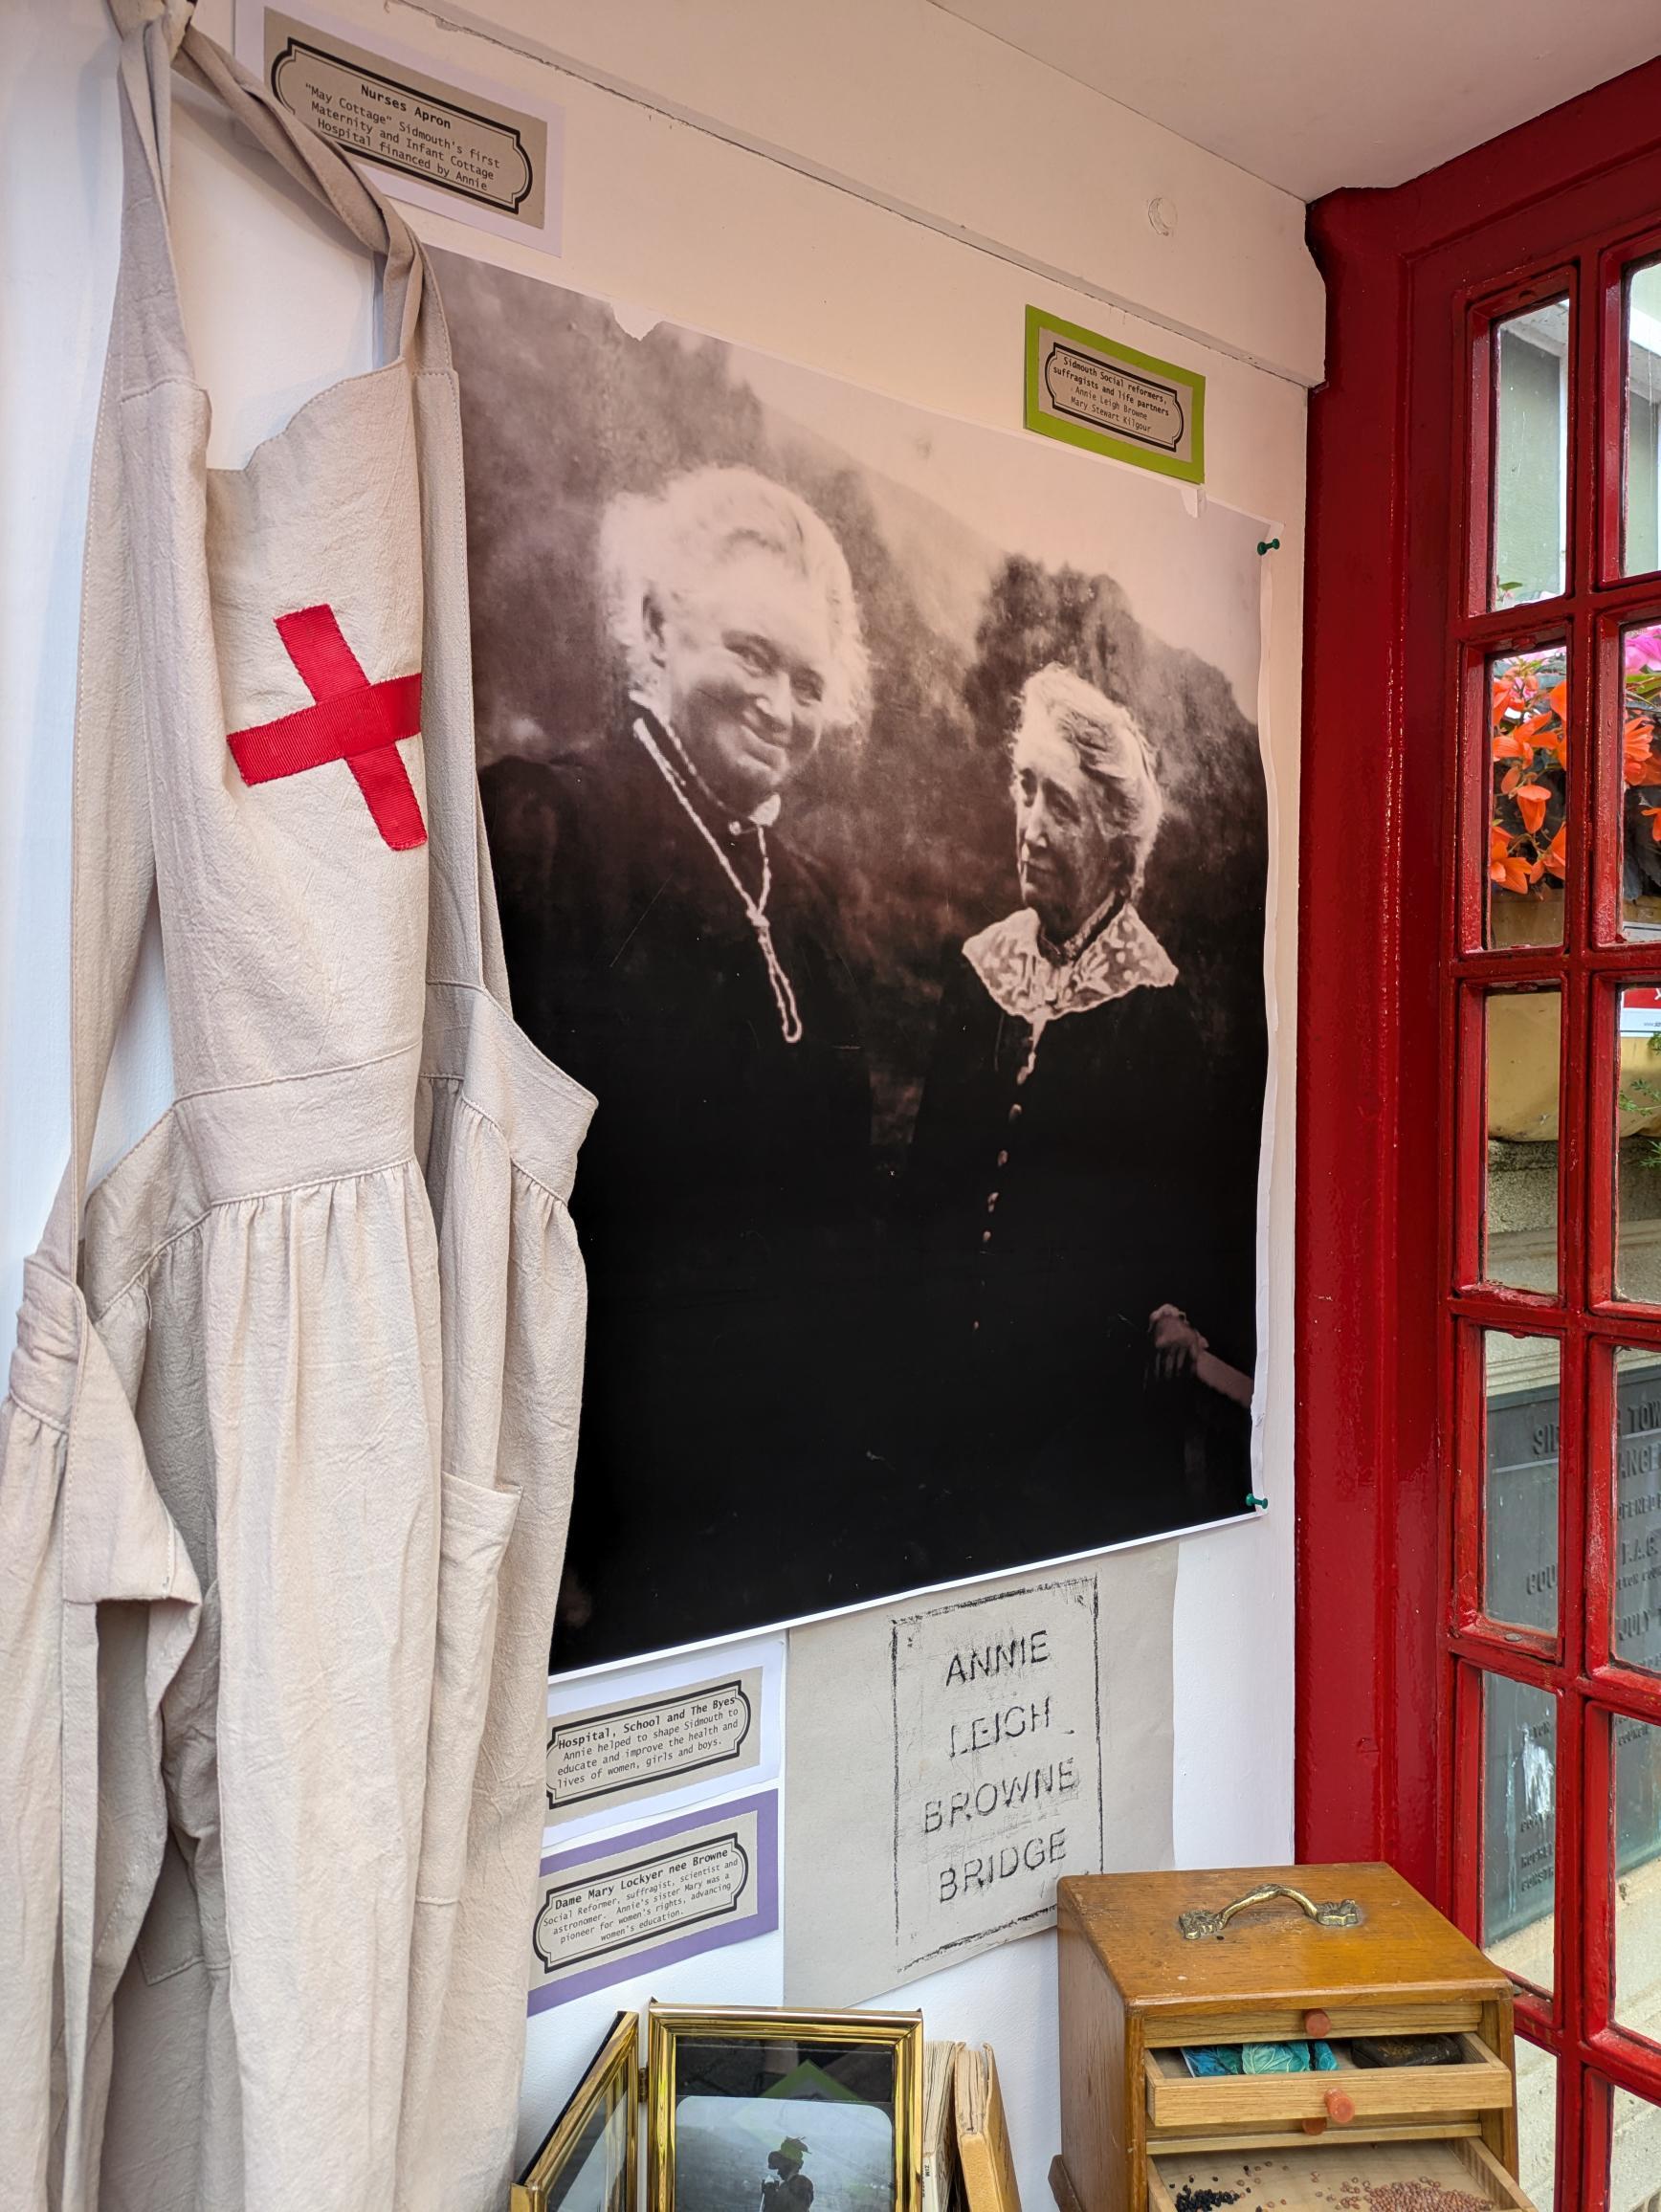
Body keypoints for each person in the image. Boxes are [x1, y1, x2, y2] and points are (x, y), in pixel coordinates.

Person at [481, 466, 875, 1664]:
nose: (780, 705)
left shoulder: (809, 899)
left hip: (775, 1476)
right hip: (600, 1489)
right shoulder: (546, 830)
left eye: (808, 681)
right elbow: (485, 1195)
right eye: (751, 654)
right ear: (654, 629)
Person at [901, 664, 1256, 1559]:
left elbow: (1186, 1215)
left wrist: (1172, 1311)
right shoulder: (979, 971)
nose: (1030, 825)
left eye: (1058, 803)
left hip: (1082, 1415)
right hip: (947, 1392)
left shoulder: (1157, 1007)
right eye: (1025, 789)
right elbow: (928, 1186)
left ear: (1113, 832)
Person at [761, 2138, 815, 2212]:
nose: (778, 2172)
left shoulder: (800, 2185)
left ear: (790, 2164)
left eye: (780, 2168)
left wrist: (771, 2198)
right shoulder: (786, 2185)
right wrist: (770, 2197)